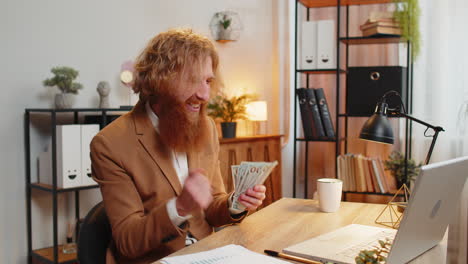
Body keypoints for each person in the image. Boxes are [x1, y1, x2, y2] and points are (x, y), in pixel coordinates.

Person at [90, 28, 267, 264]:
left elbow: (213, 205)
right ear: (160, 79)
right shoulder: (109, 144)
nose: (205, 95)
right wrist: (180, 207)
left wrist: (236, 204)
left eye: (208, 81)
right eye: (194, 80)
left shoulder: (206, 127)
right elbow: (128, 241)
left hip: (207, 253)